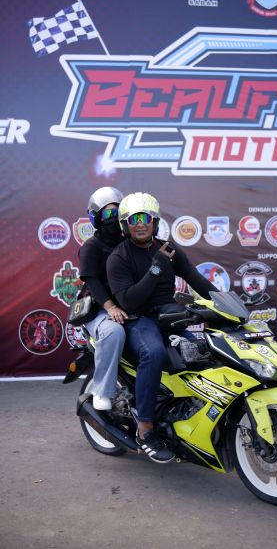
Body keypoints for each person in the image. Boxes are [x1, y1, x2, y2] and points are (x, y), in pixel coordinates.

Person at [107, 192, 216, 463]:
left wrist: (224, 302)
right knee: (154, 353)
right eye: (134, 219)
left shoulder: (169, 249)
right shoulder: (118, 257)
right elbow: (128, 300)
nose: (140, 224)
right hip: (139, 320)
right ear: (125, 224)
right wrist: (156, 267)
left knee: (202, 351)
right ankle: (145, 429)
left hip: (170, 316)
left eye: (145, 218)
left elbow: (195, 278)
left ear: (154, 221)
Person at [78, 186, 128, 411]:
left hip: (128, 306)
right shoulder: (92, 246)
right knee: (113, 332)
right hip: (99, 309)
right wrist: (110, 307)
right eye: (108, 213)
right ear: (96, 217)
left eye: (117, 212)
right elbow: (91, 281)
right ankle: (101, 391)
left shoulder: (129, 242)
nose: (113, 218)